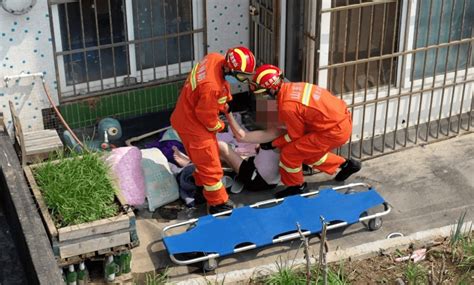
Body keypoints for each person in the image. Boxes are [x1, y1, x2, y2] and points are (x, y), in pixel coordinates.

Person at [250, 64, 361, 198]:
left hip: (332, 131)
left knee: (290, 154)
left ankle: (296, 187)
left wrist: (273, 144)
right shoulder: (293, 87)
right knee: (306, 153)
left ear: (271, 89)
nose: (263, 96)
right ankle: (347, 165)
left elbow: (295, 136)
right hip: (337, 123)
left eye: (263, 92)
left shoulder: (287, 106)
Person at [170, 46, 256, 214]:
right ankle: (218, 203)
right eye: (241, 76)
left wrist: (223, 102)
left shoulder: (214, 58)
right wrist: (221, 125)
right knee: (211, 166)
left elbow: (214, 89)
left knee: (203, 162)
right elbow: (207, 119)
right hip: (194, 126)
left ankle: (201, 190)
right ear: (229, 68)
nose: (243, 80)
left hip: (185, 115)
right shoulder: (211, 87)